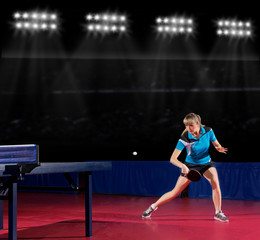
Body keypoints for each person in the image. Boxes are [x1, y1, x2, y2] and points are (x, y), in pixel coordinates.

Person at [142, 113, 229, 222]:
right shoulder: (185, 138)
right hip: (190, 166)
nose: (188, 128)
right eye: (186, 126)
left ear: (198, 124)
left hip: (206, 163)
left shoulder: (208, 131)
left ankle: (218, 213)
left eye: (191, 125)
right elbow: (172, 159)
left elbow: (216, 143)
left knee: (216, 184)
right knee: (175, 192)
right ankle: (152, 207)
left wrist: (218, 148)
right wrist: (183, 166)